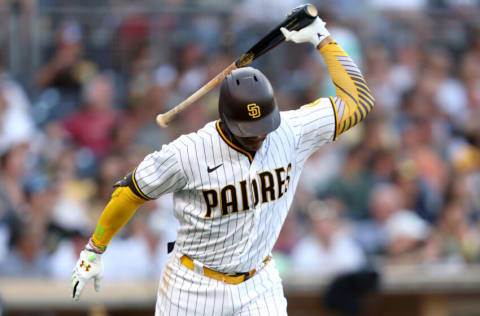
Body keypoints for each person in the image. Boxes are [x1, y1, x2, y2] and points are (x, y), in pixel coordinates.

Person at [70, 13, 375, 316]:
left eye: (263, 127)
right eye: (249, 130)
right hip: (193, 286)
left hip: (259, 282)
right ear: (226, 121)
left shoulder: (290, 131)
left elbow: (358, 103)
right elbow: (130, 191)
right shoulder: (189, 152)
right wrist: (94, 250)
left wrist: (321, 38)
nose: (258, 137)